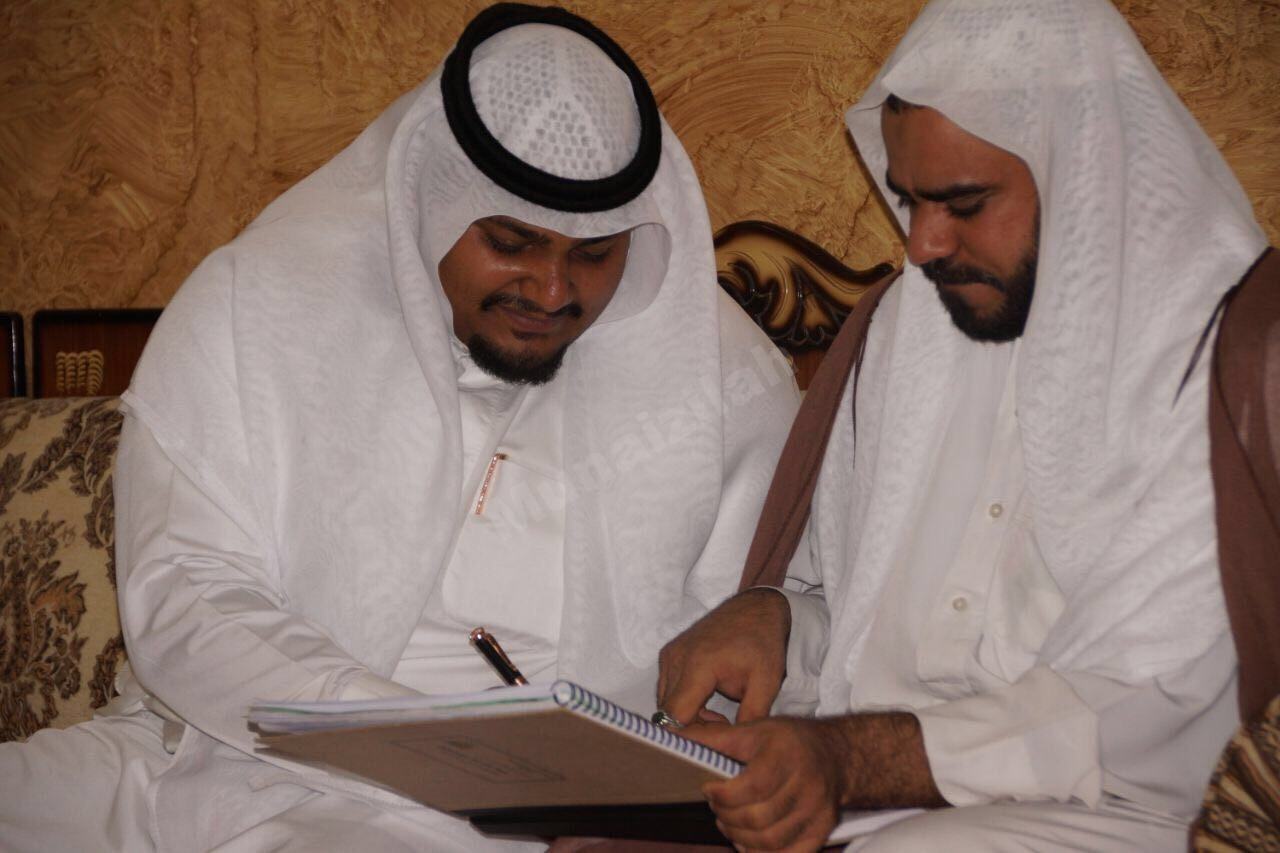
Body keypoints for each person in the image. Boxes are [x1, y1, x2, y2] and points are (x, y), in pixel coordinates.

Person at [0, 5, 798, 851]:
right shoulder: (257, 306)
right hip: (205, 743)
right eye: (512, 241)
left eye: (594, 253)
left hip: (486, 816)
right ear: (430, 203)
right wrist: (389, 727)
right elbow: (184, 594)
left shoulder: (723, 383)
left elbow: (765, 647)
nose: (552, 289)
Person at [656, 0, 1271, 850]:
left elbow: (1148, 706)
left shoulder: (1223, 354)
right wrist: (779, 621)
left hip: (1119, 810)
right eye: (909, 200)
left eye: (964, 202)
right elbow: (863, 625)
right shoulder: (907, 328)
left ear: (1082, 170)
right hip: (872, 788)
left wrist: (849, 761)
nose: (921, 245)